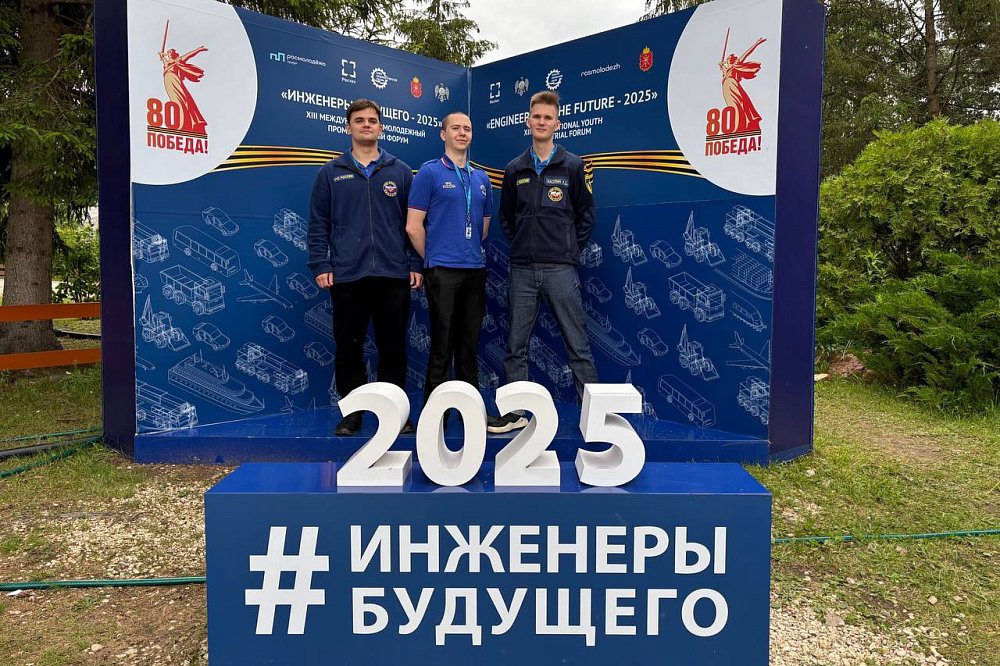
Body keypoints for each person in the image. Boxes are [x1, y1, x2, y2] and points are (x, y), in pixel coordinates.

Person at [307, 98, 422, 435]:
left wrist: (416, 262)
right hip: (347, 275)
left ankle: (395, 413)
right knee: (349, 347)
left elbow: (415, 223)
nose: (366, 125)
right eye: (359, 120)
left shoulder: (401, 171)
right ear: (348, 127)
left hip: (393, 273)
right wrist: (320, 263)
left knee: (393, 348)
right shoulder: (330, 173)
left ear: (381, 128)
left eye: (372, 120)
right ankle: (352, 413)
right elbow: (318, 223)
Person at [487, 91, 599, 433]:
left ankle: (595, 417)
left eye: (548, 117)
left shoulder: (573, 166)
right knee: (515, 346)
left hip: (560, 269)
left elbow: (586, 217)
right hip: (522, 270)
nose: (541, 122)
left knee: (577, 345)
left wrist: (567, 250)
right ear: (528, 121)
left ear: (557, 124)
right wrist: (524, 245)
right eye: (536, 116)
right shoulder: (514, 169)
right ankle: (515, 414)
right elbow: (507, 218)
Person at [406, 112, 492, 406]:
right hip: (442, 271)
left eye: (467, 128)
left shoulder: (481, 178)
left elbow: (483, 227)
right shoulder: (429, 173)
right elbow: (413, 226)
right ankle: (436, 414)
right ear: (443, 135)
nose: (462, 133)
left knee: (469, 346)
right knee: (442, 346)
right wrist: (434, 257)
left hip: (474, 270)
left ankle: (471, 411)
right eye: (455, 128)